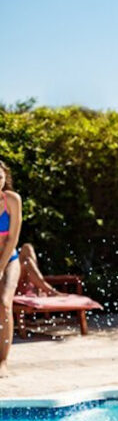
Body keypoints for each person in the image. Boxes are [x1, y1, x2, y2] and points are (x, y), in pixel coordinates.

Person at [0, 160, 22, 377]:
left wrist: (0, 266)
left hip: (10, 258)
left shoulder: (12, 200)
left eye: (0, 177)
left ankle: (3, 361)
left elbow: (13, 238)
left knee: (5, 303)